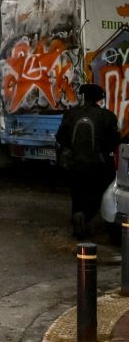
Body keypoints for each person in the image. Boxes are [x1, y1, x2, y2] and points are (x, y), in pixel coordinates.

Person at [56, 82, 120, 238]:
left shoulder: (71, 114)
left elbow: (60, 137)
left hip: (74, 164)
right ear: (100, 99)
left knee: (77, 192)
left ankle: (77, 218)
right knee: (98, 193)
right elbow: (113, 142)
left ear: (84, 97)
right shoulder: (107, 116)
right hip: (98, 165)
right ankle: (85, 215)